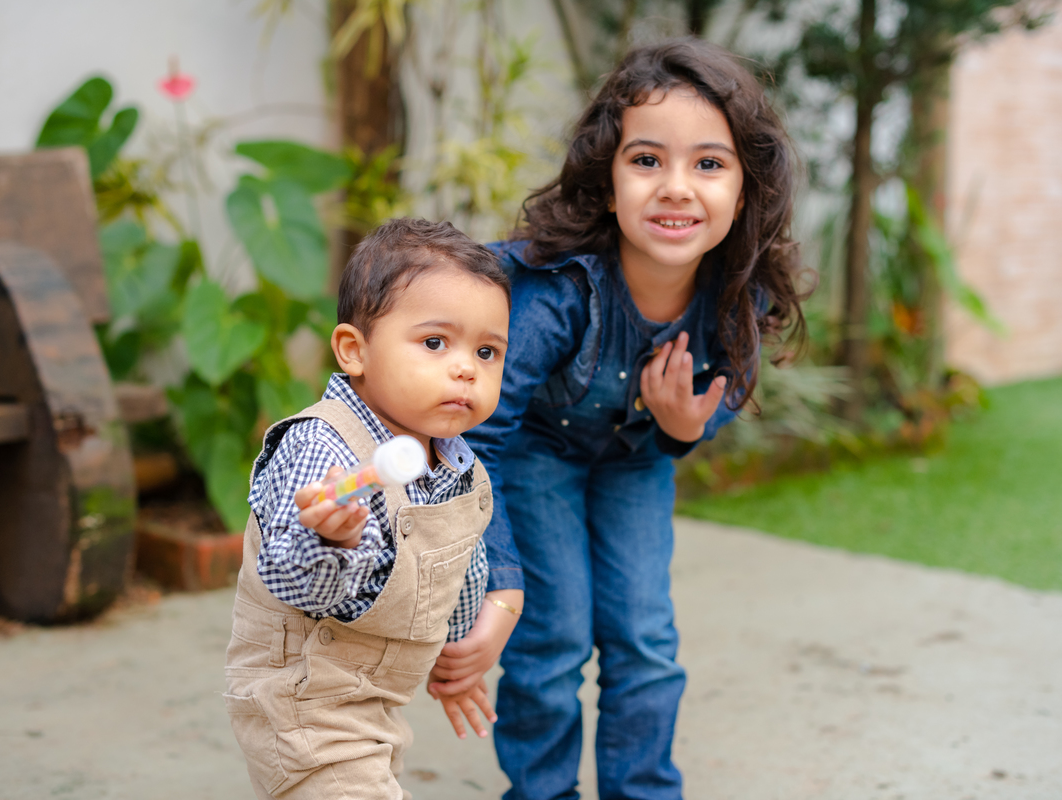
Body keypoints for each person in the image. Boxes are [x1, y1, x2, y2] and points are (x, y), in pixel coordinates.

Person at [427, 39, 808, 800]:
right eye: (646, 160)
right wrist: (499, 586)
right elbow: (476, 438)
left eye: (709, 163)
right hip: (532, 456)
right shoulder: (559, 293)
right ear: (607, 183)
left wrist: (685, 427)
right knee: (552, 636)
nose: (676, 188)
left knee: (645, 638)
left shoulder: (739, 295)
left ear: (744, 193)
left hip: (637, 465)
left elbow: (721, 400)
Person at [223, 217, 522, 800]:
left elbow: (459, 568)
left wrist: (455, 659)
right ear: (354, 350)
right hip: (302, 705)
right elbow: (294, 583)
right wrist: (330, 540)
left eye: (487, 351)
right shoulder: (324, 448)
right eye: (435, 343)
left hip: (373, 705)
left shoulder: (458, 465)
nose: (466, 367)